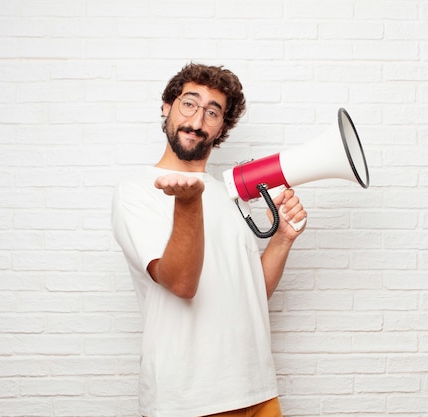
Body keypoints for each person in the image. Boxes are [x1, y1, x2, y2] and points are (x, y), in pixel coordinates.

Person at [111, 62, 307, 417]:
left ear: (222, 129)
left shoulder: (228, 195)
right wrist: (188, 203)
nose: (197, 121)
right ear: (167, 106)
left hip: (258, 391)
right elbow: (182, 283)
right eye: (189, 103)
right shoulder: (135, 192)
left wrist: (282, 239)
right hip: (191, 401)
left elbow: (249, 294)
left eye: (212, 112)